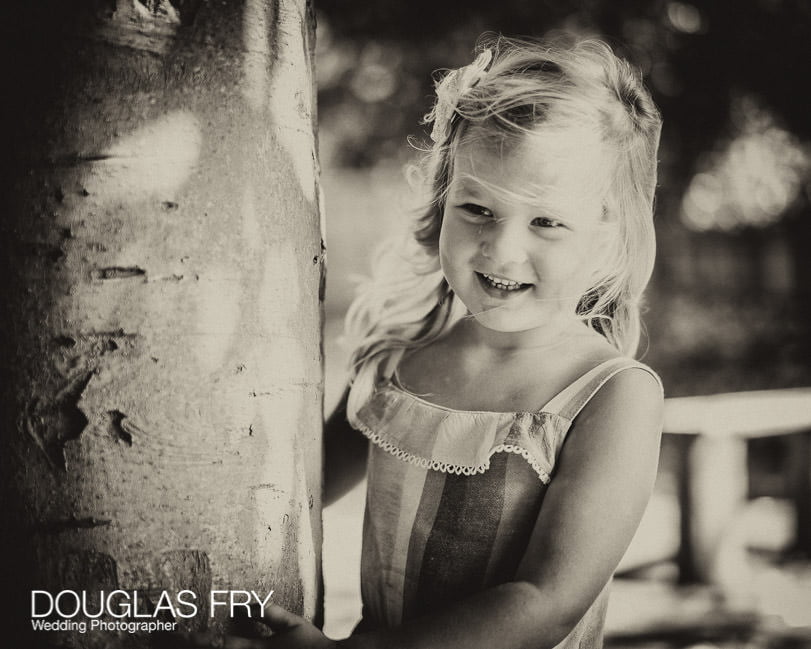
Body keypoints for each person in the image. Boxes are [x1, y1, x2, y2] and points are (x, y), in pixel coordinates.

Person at [213, 32, 663, 649]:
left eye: (546, 222)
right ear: (442, 202)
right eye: (477, 208)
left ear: (608, 237)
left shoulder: (609, 396)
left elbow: (546, 603)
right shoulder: (403, 357)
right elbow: (295, 490)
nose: (503, 249)